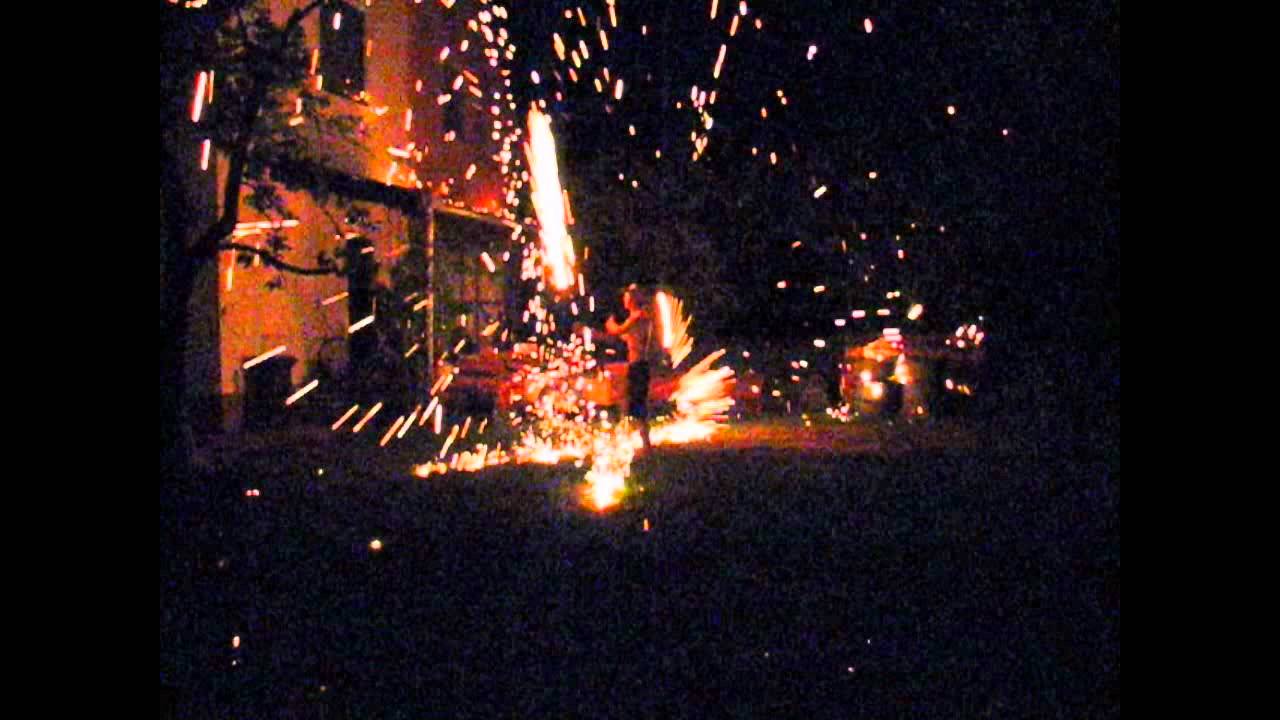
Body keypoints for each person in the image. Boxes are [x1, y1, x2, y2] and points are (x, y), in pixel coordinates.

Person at [605, 284, 658, 452]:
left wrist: (610, 323)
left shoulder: (637, 316)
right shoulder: (638, 318)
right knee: (627, 402)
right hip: (637, 366)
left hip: (639, 366)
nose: (624, 300)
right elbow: (625, 337)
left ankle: (645, 444)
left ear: (633, 299)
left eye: (627, 297)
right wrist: (594, 333)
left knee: (637, 404)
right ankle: (637, 441)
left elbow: (617, 330)